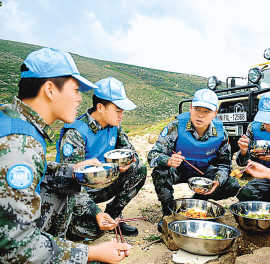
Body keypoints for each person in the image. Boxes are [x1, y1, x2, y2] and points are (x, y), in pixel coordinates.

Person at [0, 48, 130, 263]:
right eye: (76, 90)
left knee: (68, 181)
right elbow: (15, 246)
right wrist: (91, 254)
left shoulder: (14, 119)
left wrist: (72, 171)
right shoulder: (20, 144)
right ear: (50, 89)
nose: (80, 99)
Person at [44, 76, 146, 240]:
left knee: (138, 169)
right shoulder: (76, 133)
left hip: (101, 184)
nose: (122, 116)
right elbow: (71, 183)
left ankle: (112, 216)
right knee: (95, 230)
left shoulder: (114, 126)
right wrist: (95, 212)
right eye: (118, 110)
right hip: (76, 193)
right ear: (100, 107)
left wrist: (125, 163)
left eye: (122, 111)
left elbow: (129, 151)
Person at [147, 88, 240, 231]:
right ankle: (168, 213)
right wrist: (168, 160)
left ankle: (199, 200)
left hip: (204, 175)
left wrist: (217, 181)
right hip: (178, 170)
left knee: (232, 184)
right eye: (197, 109)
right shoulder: (176, 127)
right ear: (190, 108)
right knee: (160, 171)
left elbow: (224, 164)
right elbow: (153, 155)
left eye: (206, 111)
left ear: (215, 113)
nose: (200, 115)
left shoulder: (221, 133)